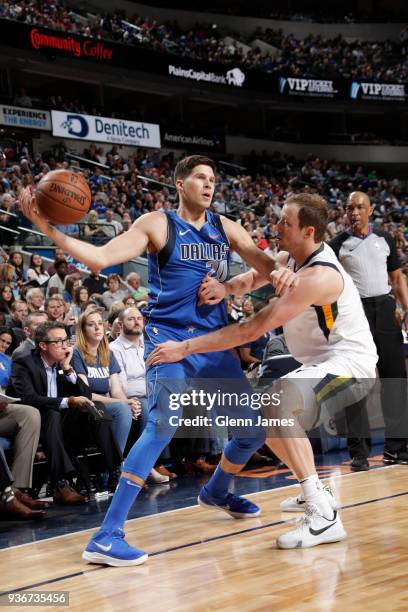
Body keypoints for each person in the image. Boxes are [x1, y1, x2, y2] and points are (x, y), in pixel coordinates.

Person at [19, 155, 291, 566]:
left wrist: (234, 285)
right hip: (170, 341)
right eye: (199, 177)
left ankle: (217, 490)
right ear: (180, 184)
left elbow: (265, 265)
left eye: (213, 178)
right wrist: (45, 227)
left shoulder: (225, 227)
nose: (208, 184)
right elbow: (98, 258)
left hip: (213, 344)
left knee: (252, 433)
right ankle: (106, 536)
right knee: (163, 425)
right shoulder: (157, 223)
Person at [148, 192, 379, 549]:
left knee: (278, 403)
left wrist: (186, 346)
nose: (276, 226)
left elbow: (249, 331)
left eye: (285, 222)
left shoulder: (319, 276)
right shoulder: (290, 258)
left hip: (352, 364)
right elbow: (252, 279)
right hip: (321, 362)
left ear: (309, 231)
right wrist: (224, 288)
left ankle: (324, 515)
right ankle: (316, 491)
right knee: (264, 415)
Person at [329, 191, 408, 469]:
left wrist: (407, 310)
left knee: (395, 379)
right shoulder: (336, 244)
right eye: (349, 207)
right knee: (356, 384)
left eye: (360, 207)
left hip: (385, 311)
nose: (354, 212)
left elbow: (397, 278)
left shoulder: (384, 238)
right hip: (354, 315)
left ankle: (396, 448)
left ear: (370, 210)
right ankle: (359, 453)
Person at [8, 321, 121, 504]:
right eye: (58, 342)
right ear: (43, 346)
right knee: (52, 413)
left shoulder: (63, 362)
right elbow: (29, 398)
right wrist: (68, 401)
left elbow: (85, 394)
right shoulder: (24, 362)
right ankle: (61, 483)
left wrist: (68, 368)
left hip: (63, 423)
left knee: (96, 407)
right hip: (37, 421)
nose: (64, 345)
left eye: (66, 340)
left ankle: (114, 471)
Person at [110, 307, 173, 483]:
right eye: (131, 319)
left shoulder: (149, 345)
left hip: (150, 393)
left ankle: (156, 462)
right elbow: (121, 386)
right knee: (147, 407)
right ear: (121, 325)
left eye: (139, 318)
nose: (137, 321)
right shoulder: (115, 349)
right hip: (128, 397)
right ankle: (143, 467)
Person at [72, 309, 136, 454]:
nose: (97, 328)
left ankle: (128, 462)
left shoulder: (108, 353)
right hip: (86, 406)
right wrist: (122, 403)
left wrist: (128, 402)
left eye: (100, 323)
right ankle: (116, 464)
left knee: (132, 408)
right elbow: (86, 394)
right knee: (122, 409)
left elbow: (116, 390)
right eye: (91, 324)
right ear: (82, 330)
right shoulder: (76, 353)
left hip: (105, 403)